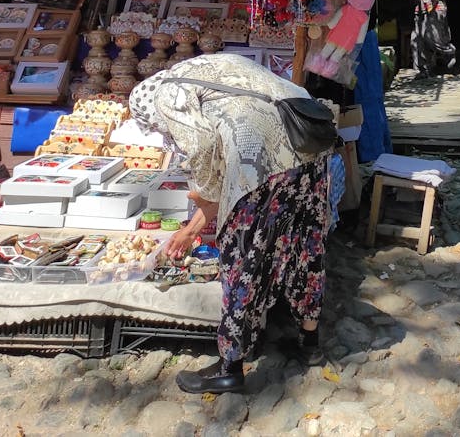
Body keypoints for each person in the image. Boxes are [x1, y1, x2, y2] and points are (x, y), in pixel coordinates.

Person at [128, 52, 335, 395]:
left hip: (265, 158)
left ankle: (230, 365)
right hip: (309, 141)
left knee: (244, 258)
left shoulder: (164, 94)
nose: (164, 135)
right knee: (304, 243)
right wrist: (199, 219)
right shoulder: (203, 67)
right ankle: (310, 342)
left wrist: (202, 209)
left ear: (147, 108)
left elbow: (203, 145)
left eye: (158, 128)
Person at [409, 0, 458, 77]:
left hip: (435, 8)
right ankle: (423, 69)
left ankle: (449, 59)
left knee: (436, 39)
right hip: (420, 9)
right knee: (417, 38)